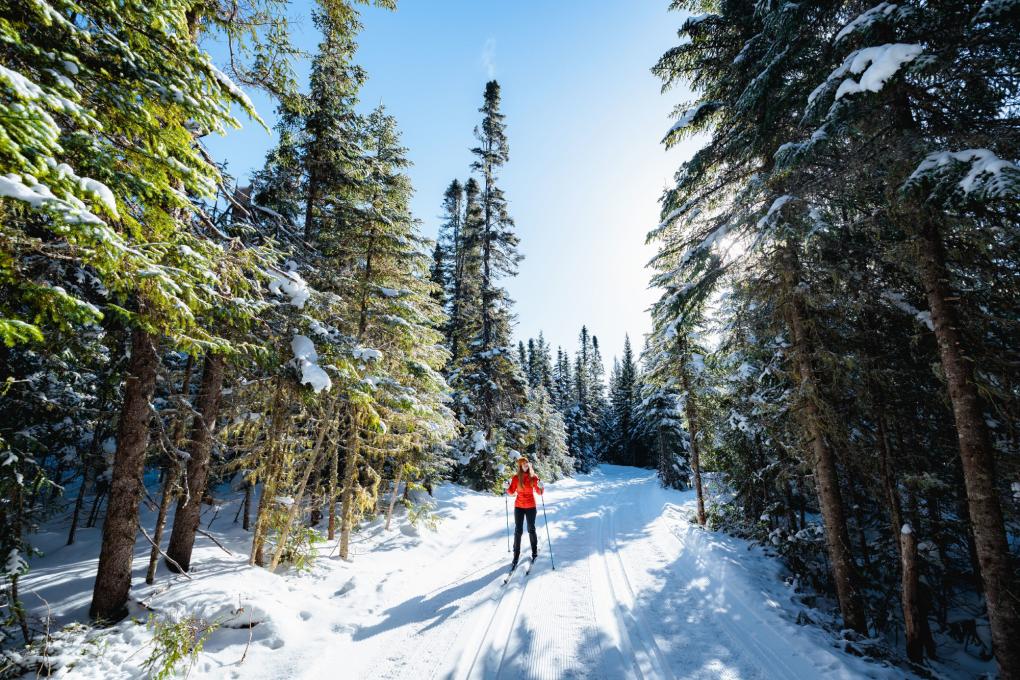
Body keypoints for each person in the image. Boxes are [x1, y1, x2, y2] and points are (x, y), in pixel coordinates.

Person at [506, 455, 543, 567]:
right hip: (519, 507)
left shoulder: (534, 477)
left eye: (526, 463)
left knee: (531, 529)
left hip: (531, 506)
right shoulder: (516, 478)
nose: (525, 465)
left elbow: (539, 492)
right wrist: (506, 487)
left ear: (528, 464)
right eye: (522, 464)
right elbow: (511, 491)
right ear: (520, 466)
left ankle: (534, 552)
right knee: (518, 530)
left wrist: (541, 486)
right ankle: (516, 555)